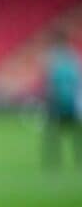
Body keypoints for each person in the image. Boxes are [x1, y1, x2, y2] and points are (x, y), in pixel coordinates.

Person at [42, 29, 82, 170]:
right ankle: (74, 159)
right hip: (70, 101)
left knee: (54, 132)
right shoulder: (73, 57)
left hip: (60, 101)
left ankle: (54, 161)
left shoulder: (53, 58)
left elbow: (49, 82)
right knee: (74, 133)